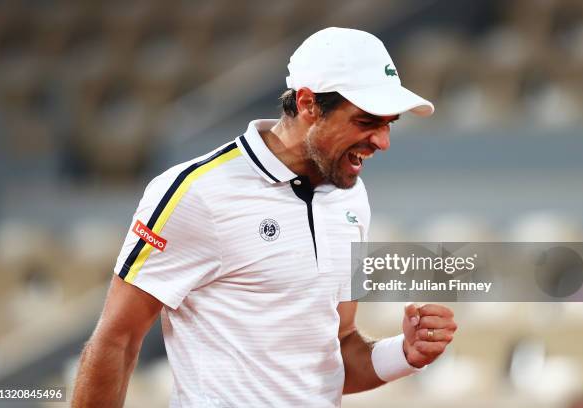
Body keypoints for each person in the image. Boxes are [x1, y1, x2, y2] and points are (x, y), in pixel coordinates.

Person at [72, 27, 457, 407]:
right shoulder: (196, 191)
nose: (383, 142)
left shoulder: (351, 198)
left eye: (389, 124)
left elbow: (335, 351)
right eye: (366, 121)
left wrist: (405, 353)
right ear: (307, 104)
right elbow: (116, 342)